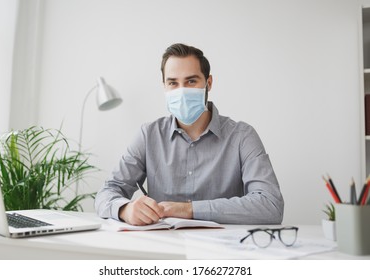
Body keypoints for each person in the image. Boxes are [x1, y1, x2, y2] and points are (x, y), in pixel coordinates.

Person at [95, 43, 284, 226]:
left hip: (223, 251)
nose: (182, 91)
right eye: (173, 83)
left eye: (191, 81)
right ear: (164, 86)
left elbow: (271, 205)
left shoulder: (242, 136)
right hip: (164, 247)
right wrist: (125, 210)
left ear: (208, 83)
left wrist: (188, 209)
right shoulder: (149, 135)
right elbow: (108, 192)